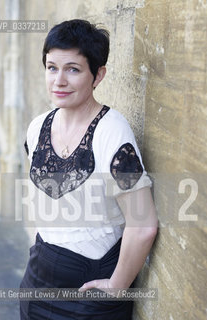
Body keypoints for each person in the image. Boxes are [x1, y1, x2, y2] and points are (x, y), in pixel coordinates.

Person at [20, 19, 158, 320]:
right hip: (37, 282)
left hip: (89, 295)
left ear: (98, 75)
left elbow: (144, 224)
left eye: (73, 69)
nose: (59, 80)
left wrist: (118, 286)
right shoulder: (37, 127)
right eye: (51, 67)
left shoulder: (113, 133)